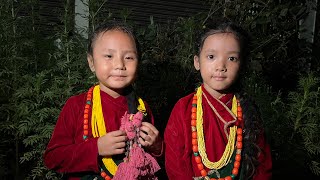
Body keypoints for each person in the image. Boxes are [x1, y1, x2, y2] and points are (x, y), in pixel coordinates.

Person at [44, 21, 163, 180]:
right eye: (109, 56)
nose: (120, 65)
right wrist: (96, 147)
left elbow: (153, 161)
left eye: (128, 57)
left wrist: (156, 146)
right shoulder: (77, 106)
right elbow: (53, 158)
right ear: (91, 62)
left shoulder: (141, 108)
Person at [164, 20, 272, 180]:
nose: (221, 65)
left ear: (241, 65)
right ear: (197, 62)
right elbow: (175, 164)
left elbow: (262, 168)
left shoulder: (247, 111)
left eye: (232, 58)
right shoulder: (183, 108)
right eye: (211, 56)